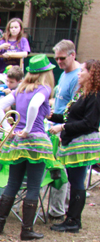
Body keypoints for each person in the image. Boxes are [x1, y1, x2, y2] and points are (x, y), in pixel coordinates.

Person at [0, 54, 57, 240]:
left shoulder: (20, 89)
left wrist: (7, 128)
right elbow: (34, 106)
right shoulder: (44, 88)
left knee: (13, 183)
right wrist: (28, 129)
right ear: (46, 73)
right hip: (36, 141)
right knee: (34, 186)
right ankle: (26, 230)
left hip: (17, 142)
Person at [47, 59, 100, 233]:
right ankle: (72, 218)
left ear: (92, 74)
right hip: (75, 140)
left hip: (82, 143)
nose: (79, 73)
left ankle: (73, 221)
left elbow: (89, 123)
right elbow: (71, 117)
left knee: (77, 181)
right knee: (74, 180)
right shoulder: (84, 93)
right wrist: (51, 116)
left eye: (82, 70)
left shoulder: (95, 96)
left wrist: (62, 127)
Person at [47, 39, 81, 220]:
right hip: (57, 124)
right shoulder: (65, 73)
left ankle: (58, 210)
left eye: (62, 59)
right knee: (59, 170)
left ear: (72, 55)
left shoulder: (78, 76)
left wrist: (63, 129)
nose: (59, 62)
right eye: (56, 59)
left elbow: (75, 108)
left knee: (60, 171)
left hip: (65, 128)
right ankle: (60, 208)